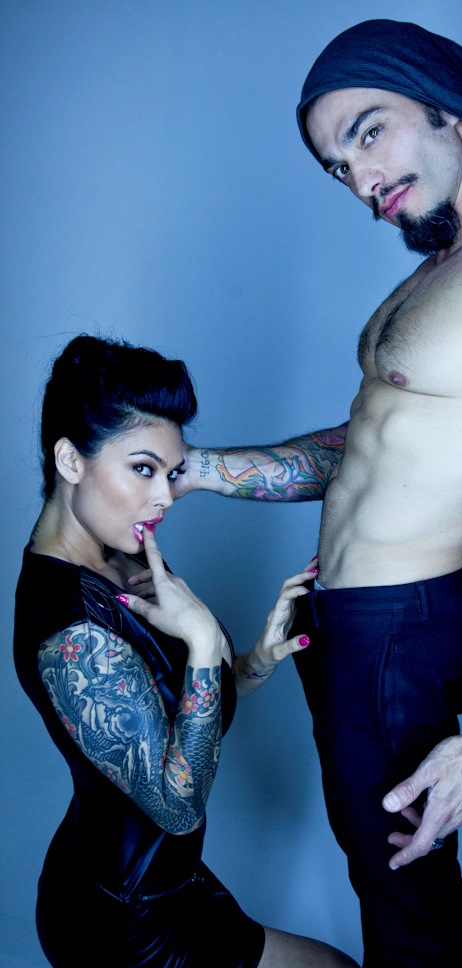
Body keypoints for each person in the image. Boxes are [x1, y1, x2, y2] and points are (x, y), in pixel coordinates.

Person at [164, 19, 462, 968]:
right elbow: (373, 448)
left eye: (369, 132)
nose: (360, 178)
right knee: (382, 872)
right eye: (337, 165)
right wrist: (202, 470)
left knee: (405, 889)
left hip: (401, 629)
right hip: (349, 621)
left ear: (445, 107)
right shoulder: (444, 270)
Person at [14, 334, 359, 968]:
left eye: (171, 474)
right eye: (143, 470)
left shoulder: (120, 555)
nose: (166, 497)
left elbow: (178, 711)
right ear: (70, 460)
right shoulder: (73, 631)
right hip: (124, 923)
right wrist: (201, 640)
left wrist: (252, 662)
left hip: (170, 884)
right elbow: (176, 806)